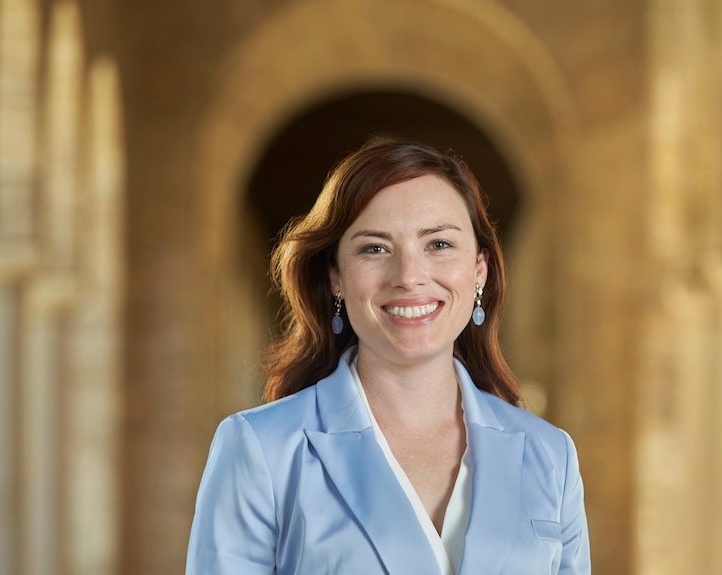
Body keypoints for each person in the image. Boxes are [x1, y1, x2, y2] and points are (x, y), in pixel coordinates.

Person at [185, 139, 590, 574]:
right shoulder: (260, 450)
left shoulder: (551, 456)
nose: (409, 276)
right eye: (375, 248)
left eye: (438, 244)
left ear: (479, 271)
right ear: (336, 277)